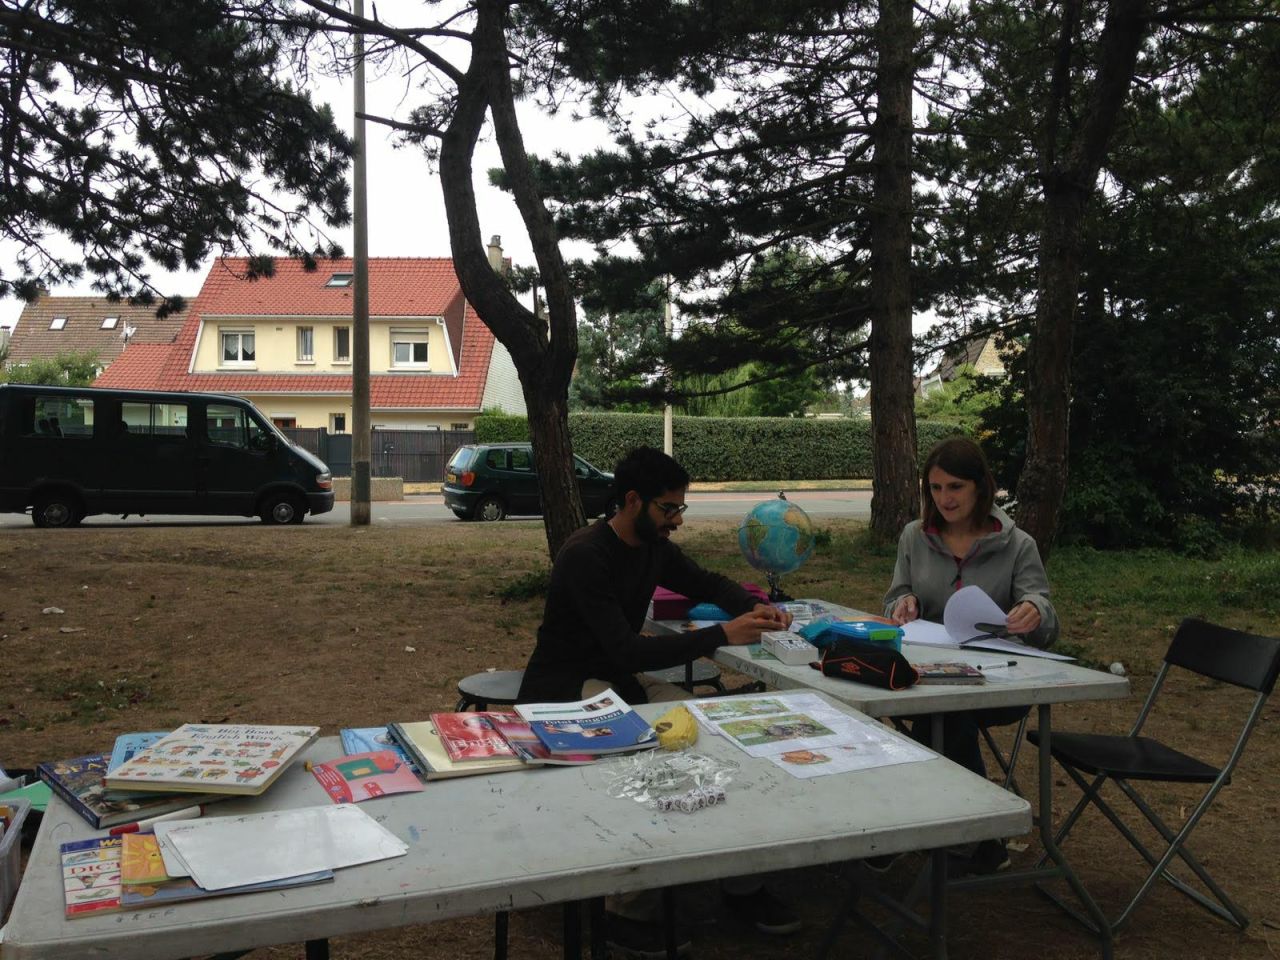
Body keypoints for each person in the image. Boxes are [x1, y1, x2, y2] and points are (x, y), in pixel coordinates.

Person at [518, 446, 800, 957]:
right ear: (632, 501)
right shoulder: (585, 554)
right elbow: (625, 649)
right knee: (652, 755)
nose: (677, 520)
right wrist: (722, 634)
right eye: (669, 508)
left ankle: (741, 883)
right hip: (562, 689)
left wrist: (756, 606)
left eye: (680, 508)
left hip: (617, 681)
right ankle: (627, 912)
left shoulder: (653, 547)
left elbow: (706, 582)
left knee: (716, 731)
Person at [883, 437, 1059, 874]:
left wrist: (1034, 611)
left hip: (1000, 681)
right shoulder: (914, 537)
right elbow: (895, 598)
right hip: (926, 673)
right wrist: (902, 604)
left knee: (944, 716)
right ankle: (962, 834)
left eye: (955, 487)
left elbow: (1047, 621)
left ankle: (956, 834)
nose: (944, 498)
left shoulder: (1018, 545)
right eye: (935, 488)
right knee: (931, 711)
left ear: (980, 486)